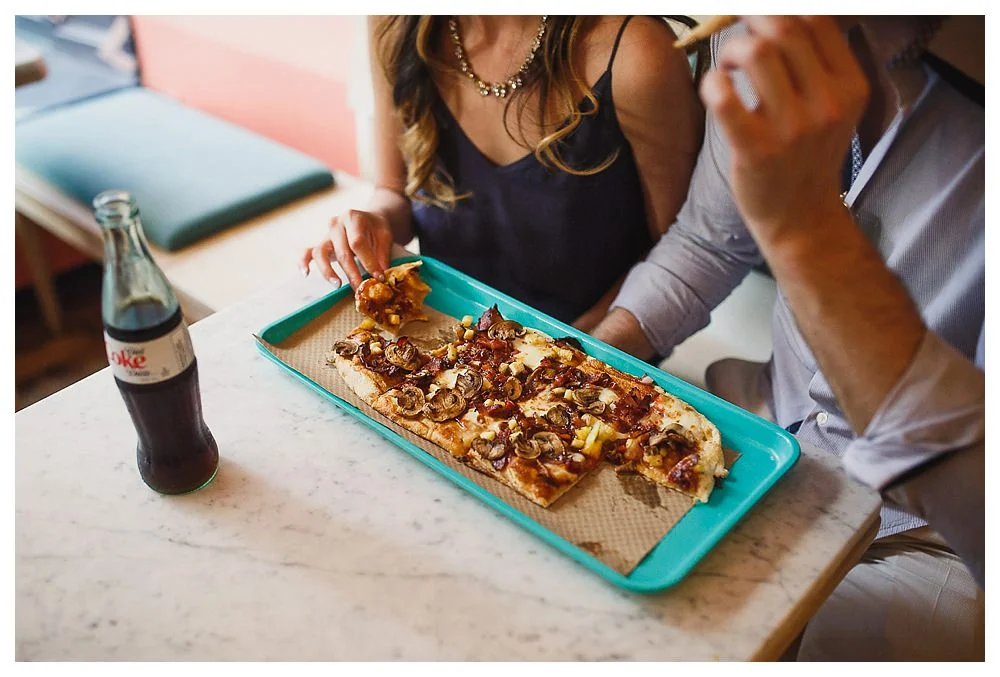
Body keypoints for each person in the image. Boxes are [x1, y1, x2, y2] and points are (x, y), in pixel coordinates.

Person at [590, 16, 984, 660]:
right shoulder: (751, 31)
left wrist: (806, 228)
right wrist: (592, 362)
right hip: (766, 436)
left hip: (931, 539)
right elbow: (706, 242)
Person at [301, 15, 703, 330]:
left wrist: (570, 350)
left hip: (601, 354)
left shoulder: (635, 52)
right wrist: (374, 223)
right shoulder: (395, 22)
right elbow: (394, 189)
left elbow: (677, 249)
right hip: (447, 335)